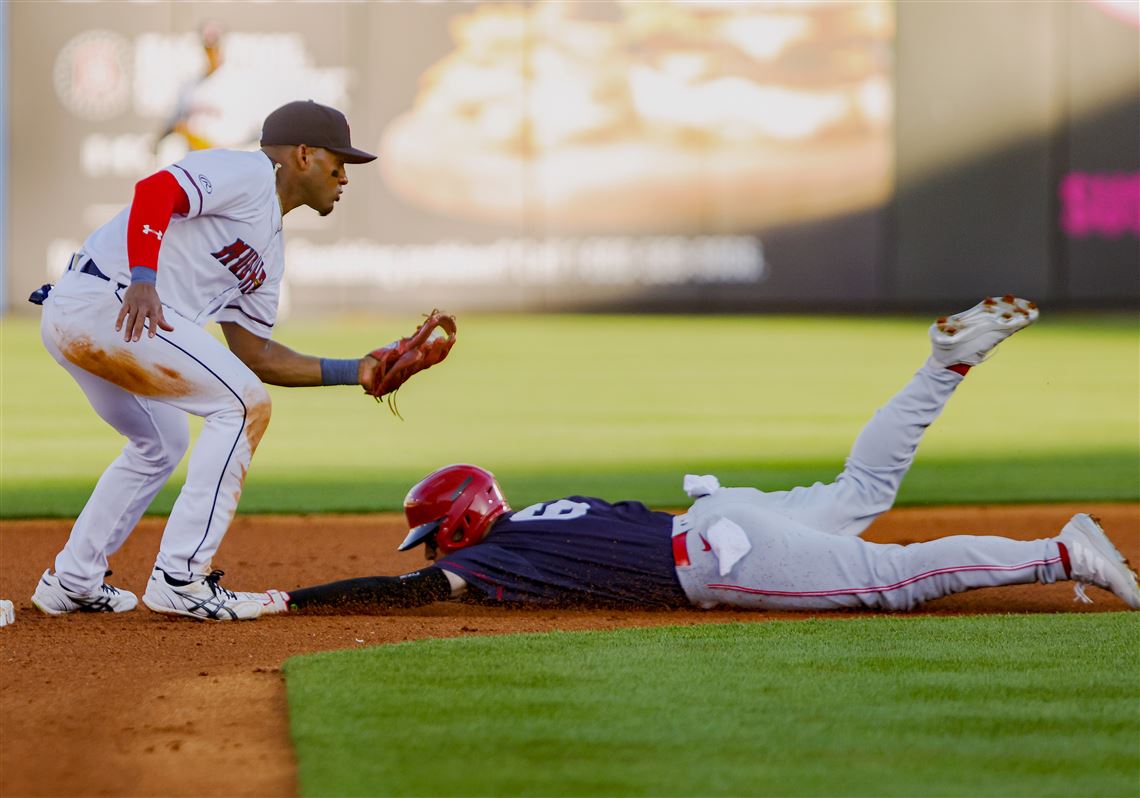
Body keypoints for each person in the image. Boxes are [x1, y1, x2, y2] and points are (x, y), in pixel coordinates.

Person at [263, 296, 1140, 615]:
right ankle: (942, 365)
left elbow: (408, 593)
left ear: (459, 524)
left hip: (728, 554)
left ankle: (1065, 552)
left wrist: (286, 602)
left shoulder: (498, 553)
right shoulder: (539, 514)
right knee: (863, 487)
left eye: (438, 535)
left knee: (894, 577)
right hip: (718, 518)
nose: (440, 551)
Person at [31, 100, 423, 622]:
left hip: (98, 318)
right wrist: (145, 279)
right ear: (303, 154)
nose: (344, 176)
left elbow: (254, 354)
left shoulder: (270, 250)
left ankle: (73, 580)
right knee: (241, 406)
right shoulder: (249, 173)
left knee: (161, 443)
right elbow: (155, 192)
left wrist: (356, 371)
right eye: (339, 161)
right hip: (111, 303)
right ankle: (181, 577)